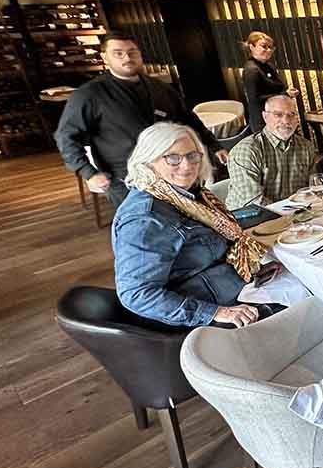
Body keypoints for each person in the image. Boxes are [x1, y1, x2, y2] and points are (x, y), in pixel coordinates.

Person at [113, 122, 268, 328]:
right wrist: (218, 313)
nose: (186, 166)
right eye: (172, 158)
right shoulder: (145, 218)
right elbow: (137, 294)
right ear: (148, 161)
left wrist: (255, 269)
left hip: (233, 286)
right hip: (205, 314)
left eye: (192, 156)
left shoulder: (189, 195)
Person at [55, 31, 226, 209]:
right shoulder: (89, 94)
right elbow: (66, 137)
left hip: (173, 173)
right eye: (118, 53)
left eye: (132, 52)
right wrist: (89, 172)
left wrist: (214, 145)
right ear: (105, 58)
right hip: (126, 179)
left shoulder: (160, 88)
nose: (127, 57)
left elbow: (189, 120)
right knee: (147, 226)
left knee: (189, 222)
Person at [225, 95, 317, 210]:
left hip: (293, 215)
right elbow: (253, 202)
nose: (286, 120)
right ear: (265, 116)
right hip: (249, 219)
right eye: (278, 115)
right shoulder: (247, 151)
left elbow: (312, 189)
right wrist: (290, 213)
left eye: (291, 114)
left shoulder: (306, 147)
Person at [241, 31, 297, 133]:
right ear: (251, 47)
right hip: (264, 121)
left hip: (278, 117)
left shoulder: (268, 65)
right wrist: (285, 94)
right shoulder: (251, 70)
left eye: (271, 47)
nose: (268, 50)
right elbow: (254, 99)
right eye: (264, 46)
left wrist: (287, 94)